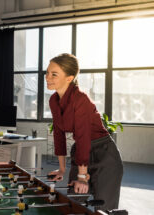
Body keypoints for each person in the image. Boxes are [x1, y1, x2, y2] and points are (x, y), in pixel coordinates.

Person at [46, 53, 123, 211]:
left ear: (69, 78)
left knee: (104, 209)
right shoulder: (53, 101)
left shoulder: (81, 99)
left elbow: (83, 137)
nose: (48, 77)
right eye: (47, 73)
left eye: (54, 74)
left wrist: (82, 176)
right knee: (73, 203)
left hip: (104, 155)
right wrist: (61, 169)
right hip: (81, 152)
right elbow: (58, 134)